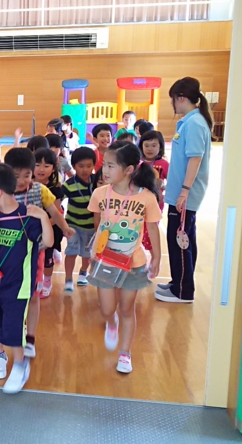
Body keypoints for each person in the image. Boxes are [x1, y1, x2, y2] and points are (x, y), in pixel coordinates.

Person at [0, 163, 52, 394]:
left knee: (14, 328)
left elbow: (49, 241)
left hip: (18, 286)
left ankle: (19, 365)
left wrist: (44, 218)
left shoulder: (27, 216)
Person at [88, 141, 162, 374]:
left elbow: (152, 228)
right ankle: (111, 323)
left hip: (134, 263)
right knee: (108, 309)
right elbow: (97, 225)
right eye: (104, 165)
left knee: (127, 309)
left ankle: (125, 353)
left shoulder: (146, 198)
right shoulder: (100, 193)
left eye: (110, 166)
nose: (104, 170)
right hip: (105, 262)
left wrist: (157, 257)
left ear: (129, 170)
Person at [5, 148, 74, 359]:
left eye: (27, 175)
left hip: (35, 252)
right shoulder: (0, 191)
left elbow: (55, 212)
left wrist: (65, 228)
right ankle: (10, 331)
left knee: (33, 295)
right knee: (10, 296)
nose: (23, 180)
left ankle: (31, 338)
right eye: (16, 176)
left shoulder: (40, 191)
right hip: (7, 253)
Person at [155, 77, 213, 304]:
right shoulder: (191, 122)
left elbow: (195, 158)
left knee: (178, 239)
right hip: (181, 193)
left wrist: (184, 191)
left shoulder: (195, 123)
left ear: (181, 98)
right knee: (184, 238)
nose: (173, 106)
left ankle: (183, 291)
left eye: (173, 101)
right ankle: (178, 280)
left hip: (185, 195)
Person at [60, 147, 97, 293]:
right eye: (81, 166)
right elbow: (57, 203)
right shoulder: (68, 185)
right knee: (71, 251)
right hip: (73, 226)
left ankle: (83, 272)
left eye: (89, 166)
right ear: (74, 166)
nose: (85, 170)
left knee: (87, 254)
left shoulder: (97, 182)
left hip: (92, 227)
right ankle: (68, 279)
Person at [33, 148, 65, 298]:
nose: (41, 169)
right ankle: (34, 279)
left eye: (46, 166)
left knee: (47, 257)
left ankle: (47, 281)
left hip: (49, 229)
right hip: (31, 230)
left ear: (53, 168)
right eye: (37, 165)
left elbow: (56, 214)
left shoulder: (56, 189)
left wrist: (44, 226)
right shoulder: (27, 186)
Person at [139, 131, 169, 251]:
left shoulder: (164, 164)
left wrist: (163, 186)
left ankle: (154, 258)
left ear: (160, 146)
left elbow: (172, 183)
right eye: (146, 145)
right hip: (138, 202)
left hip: (156, 202)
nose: (149, 149)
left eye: (154, 145)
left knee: (151, 229)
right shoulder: (138, 163)